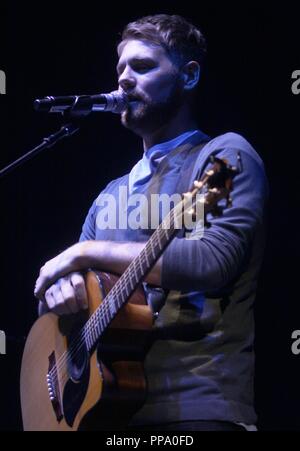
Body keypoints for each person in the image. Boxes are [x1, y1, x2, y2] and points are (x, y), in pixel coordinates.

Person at [34, 14, 268, 431]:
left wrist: (83, 252)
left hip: (197, 408)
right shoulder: (108, 195)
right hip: (105, 411)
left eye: (142, 67)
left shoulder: (223, 157)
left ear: (189, 76)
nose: (124, 79)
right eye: (121, 68)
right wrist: (59, 292)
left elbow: (212, 260)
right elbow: (57, 307)